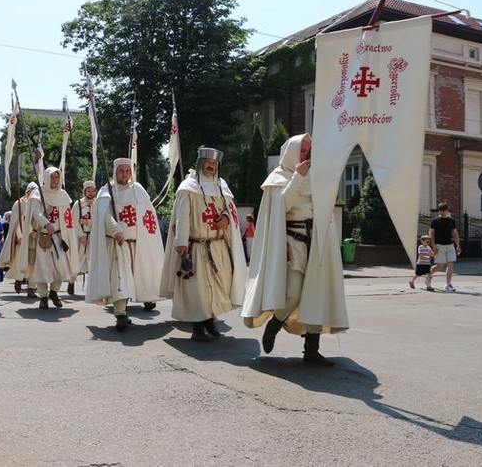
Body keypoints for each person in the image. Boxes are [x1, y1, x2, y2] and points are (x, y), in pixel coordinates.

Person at [241, 133, 348, 366]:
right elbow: (282, 205)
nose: (307, 155)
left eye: (310, 150)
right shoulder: (277, 178)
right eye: (303, 150)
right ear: (291, 152)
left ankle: (312, 349)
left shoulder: (316, 175)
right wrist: (298, 176)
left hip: (318, 240)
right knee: (293, 293)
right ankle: (275, 324)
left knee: (317, 292)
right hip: (293, 241)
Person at [159, 148, 247, 342]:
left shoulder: (222, 186)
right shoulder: (188, 187)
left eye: (214, 163)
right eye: (208, 162)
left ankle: (209, 321)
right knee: (197, 289)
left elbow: (228, 211)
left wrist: (225, 218)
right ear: (200, 163)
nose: (211, 165)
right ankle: (198, 328)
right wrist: (181, 243)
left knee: (216, 286)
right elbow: (182, 217)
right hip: (196, 246)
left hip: (218, 246)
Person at [85, 158, 163, 331]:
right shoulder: (107, 191)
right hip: (118, 244)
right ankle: (120, 314)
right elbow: (104, 215)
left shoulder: (138, 190)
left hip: (137, 244)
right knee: (120, 278)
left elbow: (147, 216)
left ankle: (140, 301)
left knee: (135, 278)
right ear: (115, 171)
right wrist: (116, 229)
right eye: (121, 171)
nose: (124, 174)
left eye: (128, 171)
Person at [24, 167, 79, 308]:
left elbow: (67, 217)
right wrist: (46, 223)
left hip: (59, 236)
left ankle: (54, 292)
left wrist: (68, 235)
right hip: (44, 237)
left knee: (60, 268)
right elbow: (36, 213)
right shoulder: (38, 193)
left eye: (56, 177)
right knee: (42, 268)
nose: (54, 180)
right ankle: (43, 297)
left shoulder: (63, 195)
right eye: (52, 177)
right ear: (47, 177)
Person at [69, 180, 97, 295]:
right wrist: (81, 236)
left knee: (94, 262)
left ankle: (94, 288)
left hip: (94, 236)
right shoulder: (78, 204)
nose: (90, 193)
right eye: (88, 191)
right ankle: (71, 282)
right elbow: (74, 220)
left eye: (92, 191)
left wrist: (88, 221)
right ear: (84, 191)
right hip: (81, 237)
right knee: (78, 260)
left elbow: (99, 220)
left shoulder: (98, 203)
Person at [428, 202, 461, 292]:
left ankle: (447, 284)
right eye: (440, 211)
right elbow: (431, 233)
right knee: (439, 266)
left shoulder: (451, 221)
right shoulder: (435, 221)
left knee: (450, 264)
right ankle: (428, 274)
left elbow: (455, 233)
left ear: (447, 211)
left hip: (450, 246)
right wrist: (433, 245)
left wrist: (458, 245)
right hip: (439, 246)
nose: (442, 212)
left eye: (444, 211)